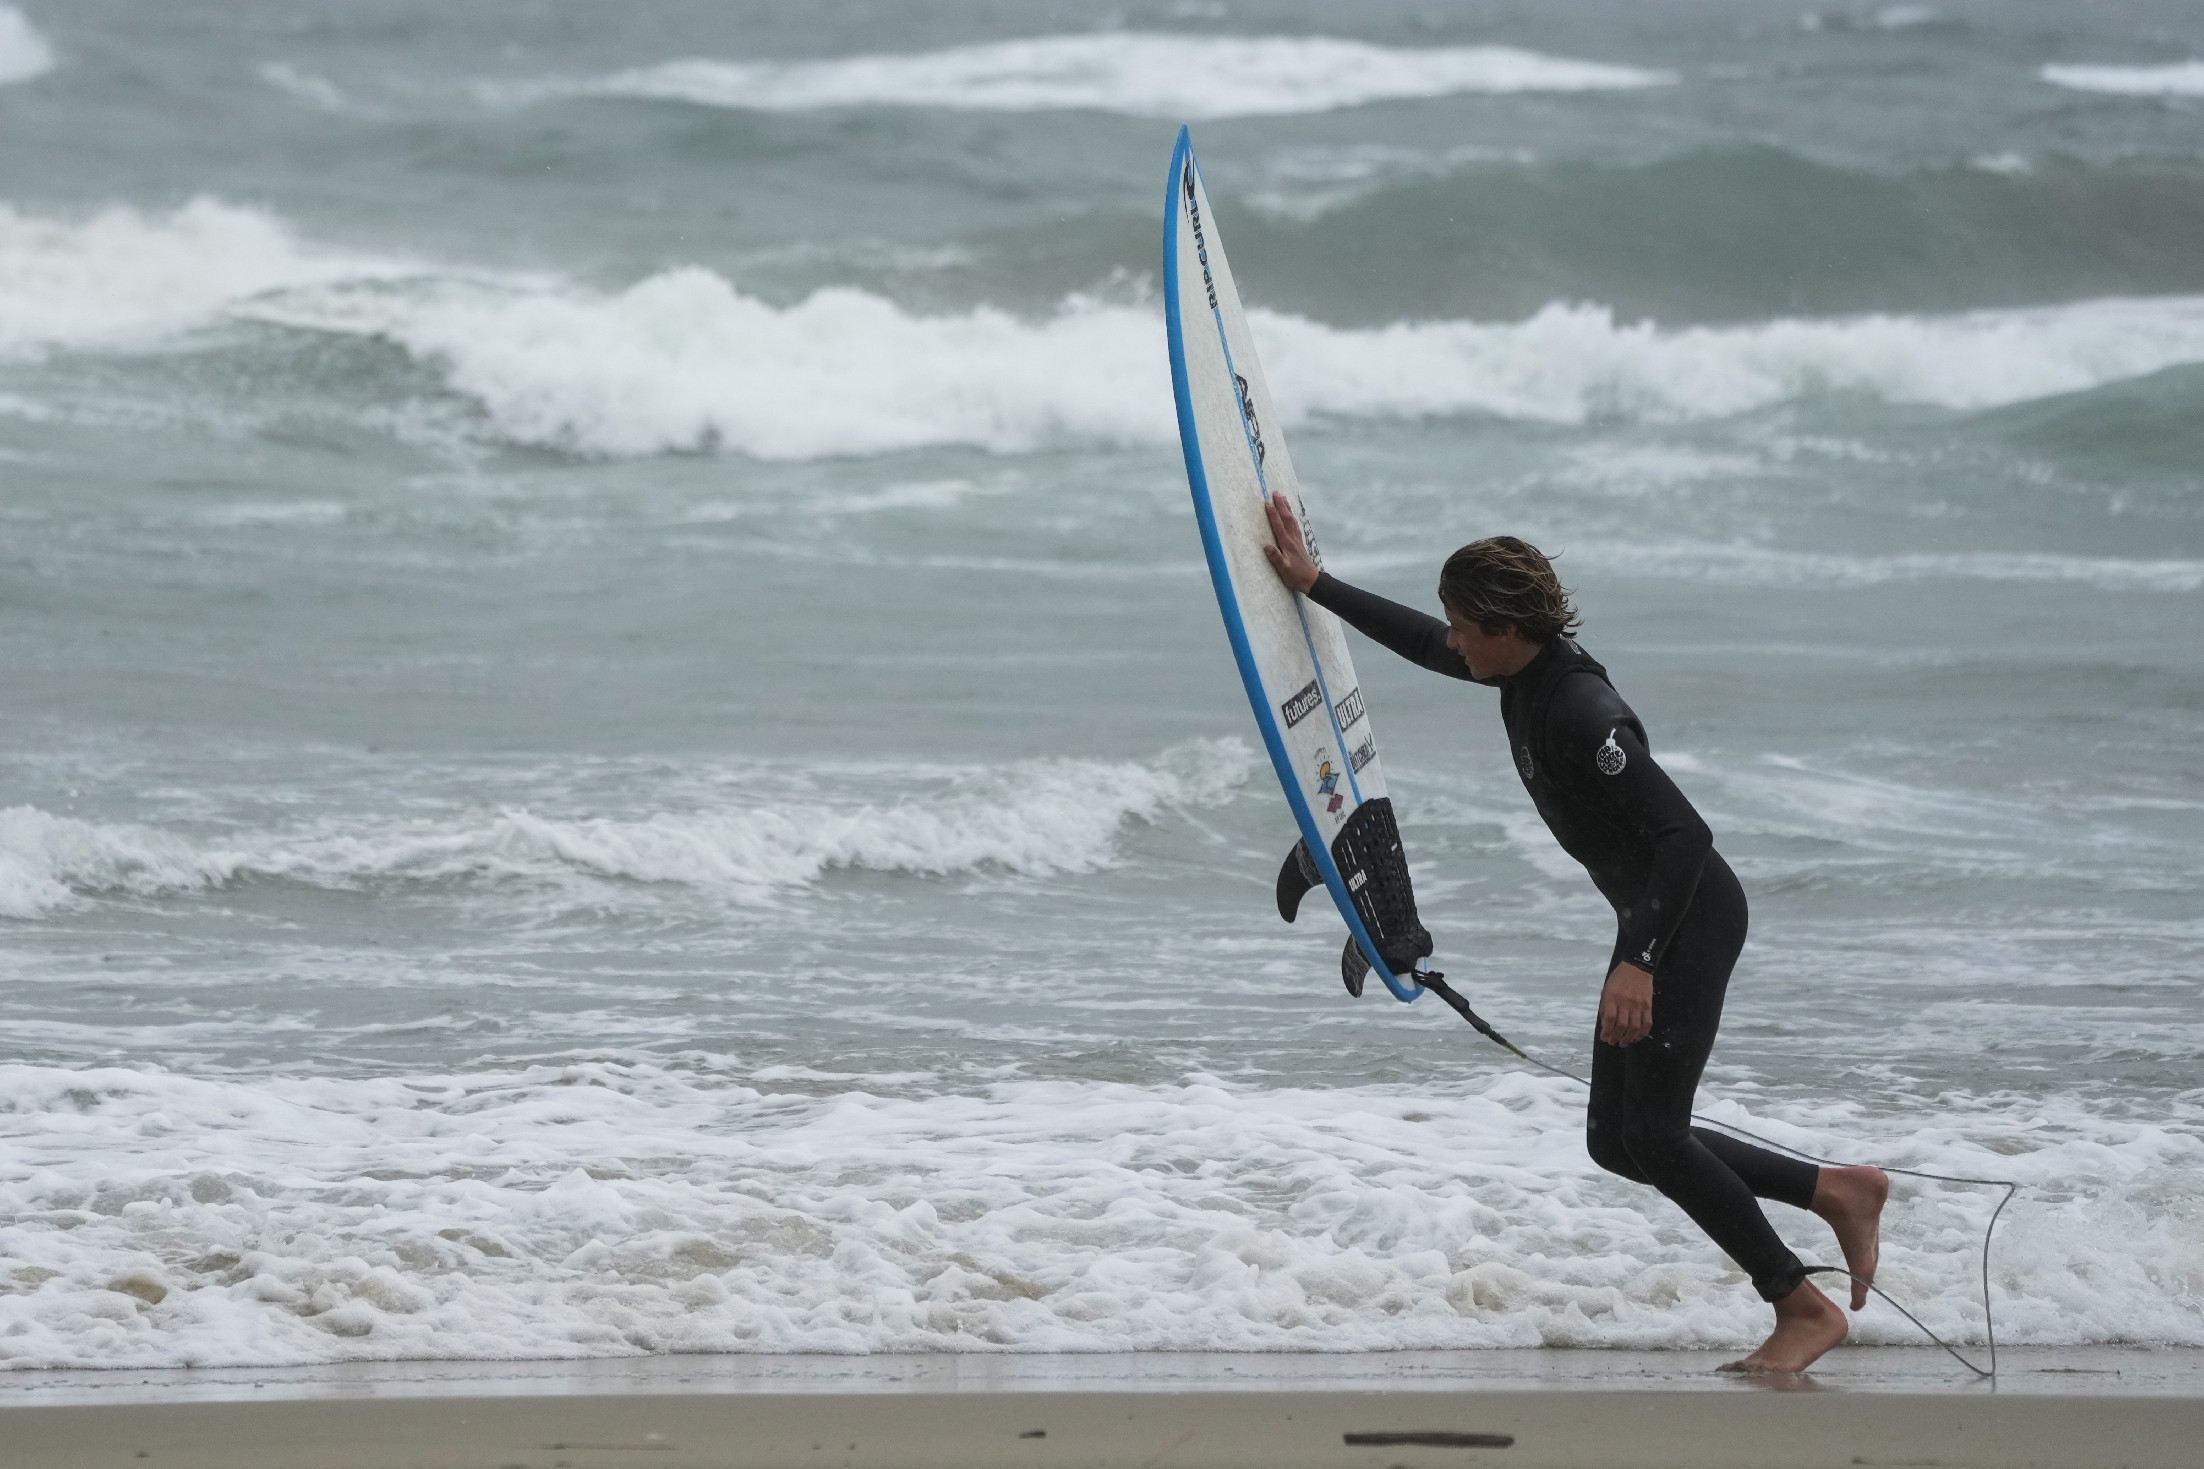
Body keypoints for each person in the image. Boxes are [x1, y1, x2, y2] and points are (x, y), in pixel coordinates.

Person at [1260, 495, 1888, 1374]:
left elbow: (1685, 836)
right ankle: (1837, 1190)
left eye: (1464, 629)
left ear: (1508, 628)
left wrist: (1638, 962)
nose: (1453, 642)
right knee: (1616, 1138)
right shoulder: (1518, 669)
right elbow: (1419, 642)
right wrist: (1314, 584)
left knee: (1658, 1135)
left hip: (1685, 919)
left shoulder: (1580, 712)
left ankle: (1801, 1303)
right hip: (1650, 920)